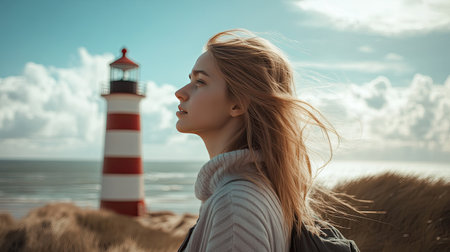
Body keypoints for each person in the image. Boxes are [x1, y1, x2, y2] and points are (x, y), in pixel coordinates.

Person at [174, 29, 347, 252]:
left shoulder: (235, 206)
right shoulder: (246, 190)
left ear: (237, 104)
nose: (180, 92)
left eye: (200, 82)